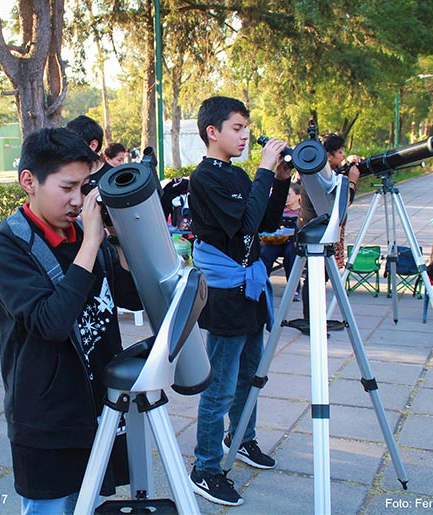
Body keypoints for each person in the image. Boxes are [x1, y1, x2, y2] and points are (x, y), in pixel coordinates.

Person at [0, 127, 142, 514]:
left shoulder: (83, 231)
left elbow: (131, 297)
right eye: (67, 187)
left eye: (84, 188)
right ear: (29, 181)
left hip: (96, 405)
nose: (78, 201)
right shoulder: (7, 245)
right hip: (46, 419)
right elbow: (50, 323)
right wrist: (90, 243)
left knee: (87, 503)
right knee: (52, 507)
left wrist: (118, 237)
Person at [188, 96, 291, 506]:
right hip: (226, 294)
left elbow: (265, 224)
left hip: (248, 290)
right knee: (220, 384)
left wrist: (279, 179)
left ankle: (242, 438)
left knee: (251, 374)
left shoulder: (235, 175)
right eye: (237, 127)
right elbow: (245, 225)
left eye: (247, 127)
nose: (246, 134)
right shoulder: (205, 178)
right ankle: (206, 467)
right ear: (212, 132)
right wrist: (265, 170)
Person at [296, 132, 360, 327]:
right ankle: (311, 321)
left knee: (318, 278)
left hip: (321, 230)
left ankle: (314, 320)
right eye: (340, 152)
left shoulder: (322, 171)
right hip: (316, 232)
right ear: (328, 155)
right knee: (314, 278)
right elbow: (338, 205)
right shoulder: (318, 176)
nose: (343, 155)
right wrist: (352, 181)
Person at [259, 183, 301, 300]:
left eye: (289, 195)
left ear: (298, 196)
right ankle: (261, 285)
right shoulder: (278, 210)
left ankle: (294, 289)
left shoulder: (302, 212)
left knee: (291, 255)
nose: (286, 198)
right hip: (276, 241)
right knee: (265, 254)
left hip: (293, 241)